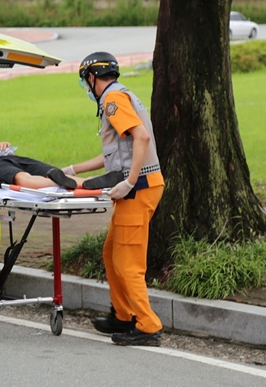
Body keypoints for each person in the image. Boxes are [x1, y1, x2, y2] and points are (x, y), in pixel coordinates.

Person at [65, 51, 164, 347]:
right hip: (138, 187)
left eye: (87, 81)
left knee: (127, 261)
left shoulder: (112, 100)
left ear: (93, 77)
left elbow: (141, 138)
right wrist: (74, 168)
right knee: (111, 253)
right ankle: (122, 315)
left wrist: (131, 181)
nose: (87, 87)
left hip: (139, 187)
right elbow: (114, 153)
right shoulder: (119, 96)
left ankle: (147, 325)